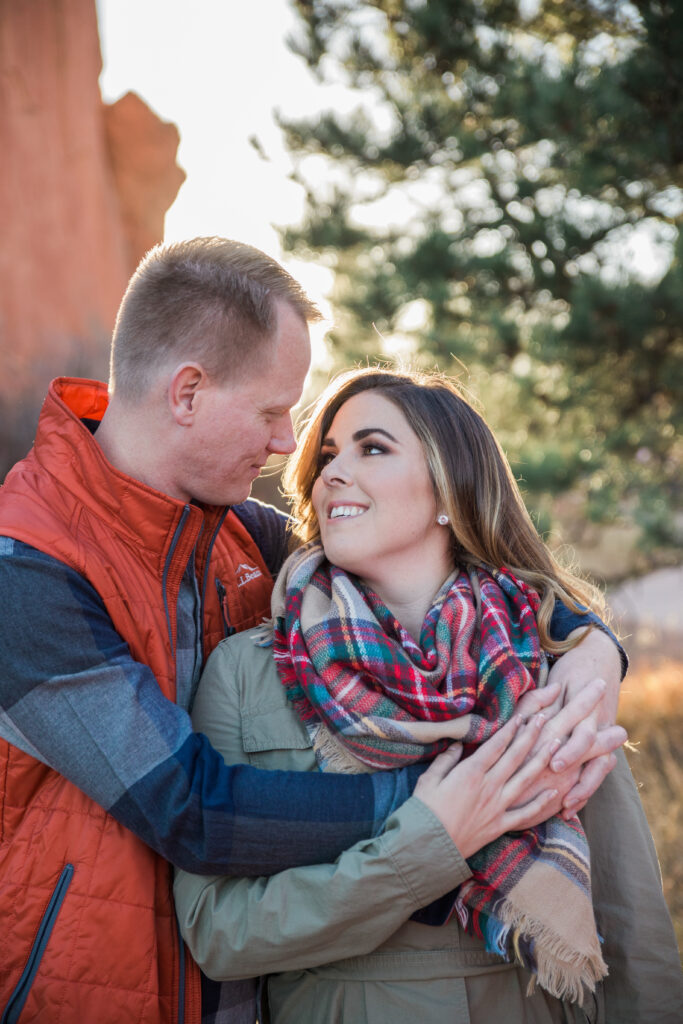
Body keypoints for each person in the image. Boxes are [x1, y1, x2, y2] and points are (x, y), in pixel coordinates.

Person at [0, 239, 624, 1024]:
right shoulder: (24, 570)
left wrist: (591, 639)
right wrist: (451, 799)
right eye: (271, 412)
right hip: (87, 997)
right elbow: (192, 810)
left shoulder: (239, 535)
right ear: (186, 391)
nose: (286, 445)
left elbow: (432, 559)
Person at [174, 368, 683, 1024]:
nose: (332, 472)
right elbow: (216, 931)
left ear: (450, 490)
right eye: (327, 456)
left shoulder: (548, 658)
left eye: (372, 448)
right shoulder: (246, 670)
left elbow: (629, 921)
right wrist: (426, 845)